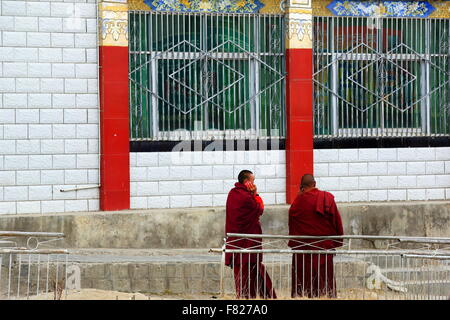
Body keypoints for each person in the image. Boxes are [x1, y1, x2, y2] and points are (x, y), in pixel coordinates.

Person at [288, 174, 344, 298]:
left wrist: (294, 242)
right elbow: (336, 220)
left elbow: (292, 224)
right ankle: (326, 295)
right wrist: (337, 240)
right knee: (324, 276)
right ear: (314, 184)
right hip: (323, 247)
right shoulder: (326, 197)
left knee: (304, 276)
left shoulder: (297, 202)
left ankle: (303, 295)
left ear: (302, 186)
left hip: (303, 248)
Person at [225, 170, 277, 299]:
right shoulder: (246, 197)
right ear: (247, 182)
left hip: (237, 242)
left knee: (250, 271)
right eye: (253, 181)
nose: (254, 184)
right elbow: (260, 209)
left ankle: (257, 296)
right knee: (248, 272)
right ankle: (248, 298)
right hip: (247, 243)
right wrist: (255, 193)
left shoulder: (232, 193)